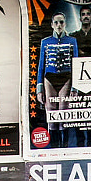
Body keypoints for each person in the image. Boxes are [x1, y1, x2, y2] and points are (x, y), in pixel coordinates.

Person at [35, 12, 77, 149]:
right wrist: (39, 88)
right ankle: (54, 148)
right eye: (56, 23)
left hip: (66, 78)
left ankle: (64, 148)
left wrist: (74, 88)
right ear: (52, 24)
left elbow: (76, 64)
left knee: (63, 115)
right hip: (49, 79)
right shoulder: (45, 42)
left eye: (61, 22)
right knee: (52, 116)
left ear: (65, 24)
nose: (59, 25)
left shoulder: (72, 41)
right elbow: (41, 65)